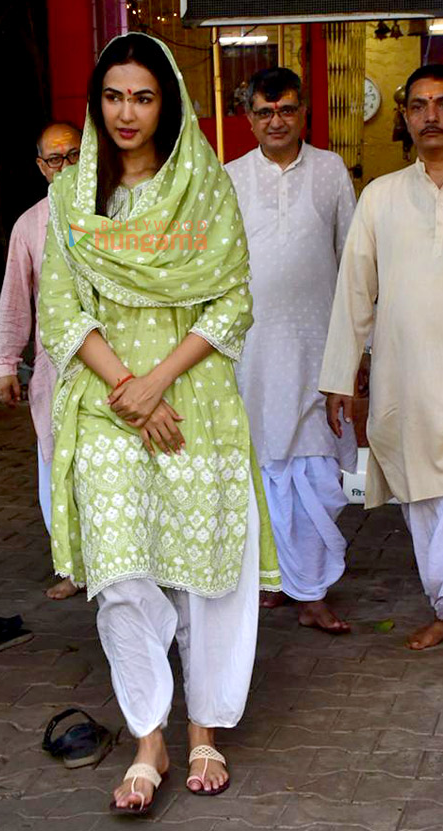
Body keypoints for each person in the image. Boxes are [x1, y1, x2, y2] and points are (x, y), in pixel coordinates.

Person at [38, 32, 280, 813]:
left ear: (165, 102)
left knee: (206, 565)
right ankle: (149, 735)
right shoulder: (70, 195)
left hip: (193, 395)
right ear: (95, 102)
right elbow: (61, 308)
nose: (126, 112)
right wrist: (127, 387)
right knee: (120, 573)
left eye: (143, 96)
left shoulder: (201, 185)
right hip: (109, 403)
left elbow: (233, 299)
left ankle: (204, 726)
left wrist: (160, 382)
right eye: (112, 97)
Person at [226, 68, 357, 633]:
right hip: (251, 353)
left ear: (304, 113)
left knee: (316, 472)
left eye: (286, 110)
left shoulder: (330, 172)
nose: (276, 121)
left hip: (318, 350)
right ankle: (275, 579)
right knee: (262, 469)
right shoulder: (229, 178)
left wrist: (359, 353)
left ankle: (314, 592)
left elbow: (353, 262)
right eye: (264, 112)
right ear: (249, 118)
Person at [320, 64, 443, 651]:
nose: (431, 116)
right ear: (405, 118)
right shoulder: (382, 197)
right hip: (410, 377)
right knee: (421, 495)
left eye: (441, 103)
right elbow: (353, 291)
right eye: (418, 105)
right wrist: (342, 375)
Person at [0, 122, 82, 600]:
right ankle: (71, 565)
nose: (65, 166)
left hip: (116, 366)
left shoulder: (116, 211)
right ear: (41, 167)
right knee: (55, 463)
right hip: (55, 370)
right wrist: (5, 363)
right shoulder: (30, 225)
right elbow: (14, 300)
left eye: (73, 155)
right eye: (55, 159)